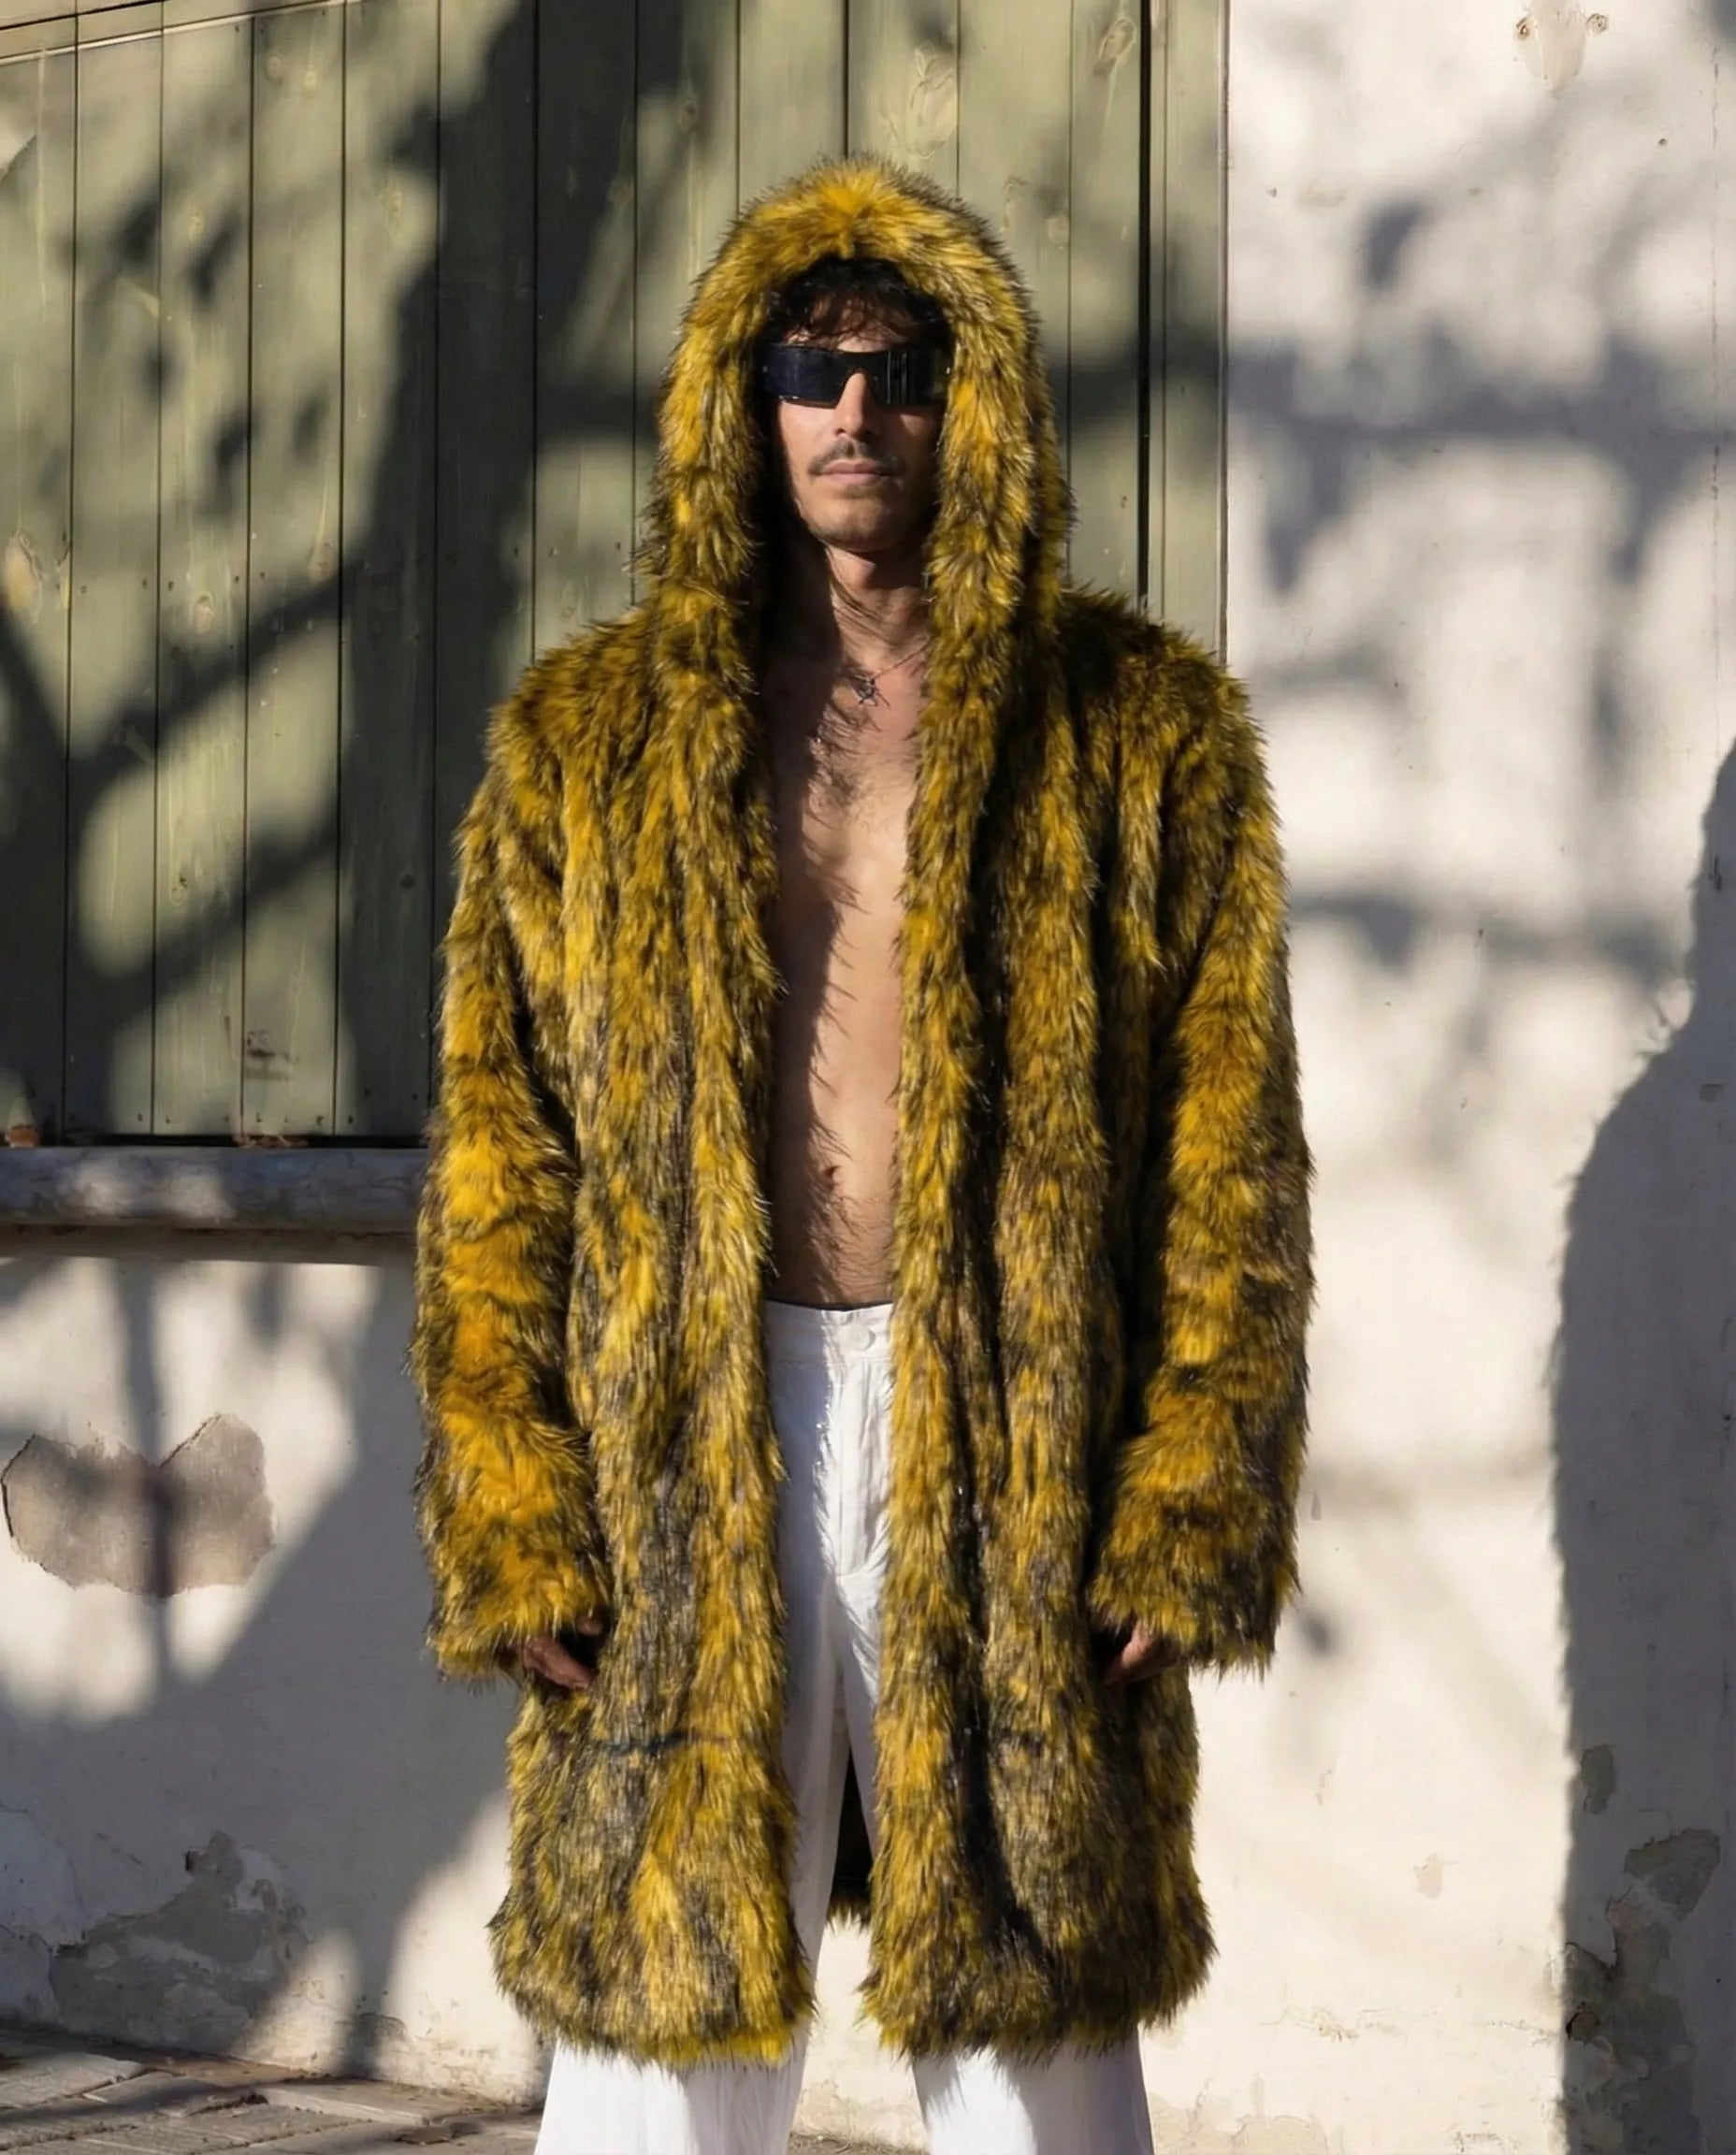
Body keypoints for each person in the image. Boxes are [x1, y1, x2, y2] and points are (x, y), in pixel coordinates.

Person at [409, 155, 1312, 2155]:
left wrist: (1193, 1486)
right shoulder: (588, 743)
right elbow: (500, 1156)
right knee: (656, 2051)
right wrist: (509, 1493)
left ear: (968, 404)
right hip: (687, 1421)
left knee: (1035, 2035)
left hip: (1010, 1420)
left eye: (900, 370)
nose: (853, 411)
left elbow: (1228, 1153)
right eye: (808, 368)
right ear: (738, 403)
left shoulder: (1134, 734)